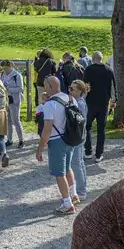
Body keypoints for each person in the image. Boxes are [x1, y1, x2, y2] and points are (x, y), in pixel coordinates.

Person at [36, 76, 78, 214]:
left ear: (49, 86)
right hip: (70, 139)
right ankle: (74, 194)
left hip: (56, 140)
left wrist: (40, 149)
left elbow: (47, 130)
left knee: (59, 174)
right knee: (67, 168)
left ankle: (67, 204)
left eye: (45, 85)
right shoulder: (71, 99)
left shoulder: (49, 105)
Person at [83, 51, 116, 162]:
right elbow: (113, 87)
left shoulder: (88, 69)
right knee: (101, 129)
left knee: (87, 127)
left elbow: (85, 86)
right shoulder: (108, 70)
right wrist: (114, 101)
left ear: (92, 59)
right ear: (102, 59)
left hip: (90, 103)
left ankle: (88, 151)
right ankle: (99, 154)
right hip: (103, 103)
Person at [0, 61, 24, 148]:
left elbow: (20, 88)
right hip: (6, 100)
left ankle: (21, 140)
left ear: (10, 67)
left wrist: (8, 89)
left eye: (6, 68)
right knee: (8, 120)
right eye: (3, 68)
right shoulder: (2, 74)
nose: (4, 70)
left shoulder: (17, 75)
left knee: (16, 120)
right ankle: (9, 139)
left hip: (15, 100)